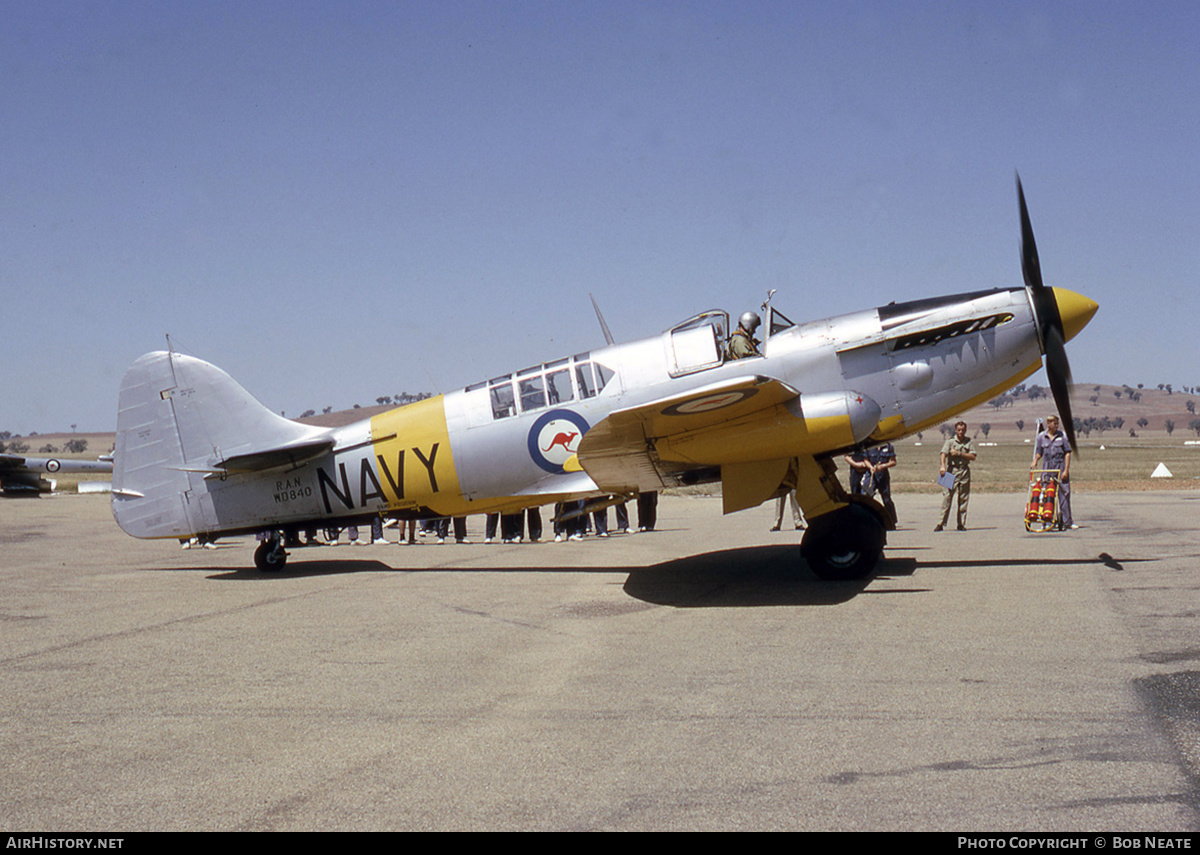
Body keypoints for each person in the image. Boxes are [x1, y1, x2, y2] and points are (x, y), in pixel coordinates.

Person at [1031, 414, 1075, 530]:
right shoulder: (1041, 437)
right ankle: (1047, 521)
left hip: (1059, 467)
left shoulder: (1062, 436)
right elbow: (1039, 451)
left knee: (1064, 494)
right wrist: (1035, 460)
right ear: (1048, 424)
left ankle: (1067, 521)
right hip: (1047, 468)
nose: (1056, 426)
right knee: (1047, 494)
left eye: (1057, 424)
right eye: (1054, 424)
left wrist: (1066, 469)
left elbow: (1067, 452)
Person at [936, 421, 976, 531]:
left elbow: (973, 456)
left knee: (963, 498)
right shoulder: (950, 442)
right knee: (947, 497)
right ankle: (941, 523)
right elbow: (943, 454)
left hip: (964, 470)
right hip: (950, 470)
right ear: (955, 430)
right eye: (959, 430)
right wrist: (942, 466)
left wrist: (960, 454)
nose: (961, 432)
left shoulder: (969, 442)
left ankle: (961, 524)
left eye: (963, 430)